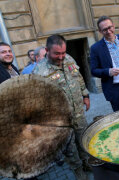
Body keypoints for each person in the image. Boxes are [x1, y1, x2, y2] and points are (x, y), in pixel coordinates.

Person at [33, 35, 90, 179]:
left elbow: (78, 77)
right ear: (47, 50)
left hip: (78, 112)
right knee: (69, 150)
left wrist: (85, 95)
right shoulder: (39, 72)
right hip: (61, 122)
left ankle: (87, 163)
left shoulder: (69, 58)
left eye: (63, 53)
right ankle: (79, 172)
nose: (61, 57)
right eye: (56, 53)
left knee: (83, 139)